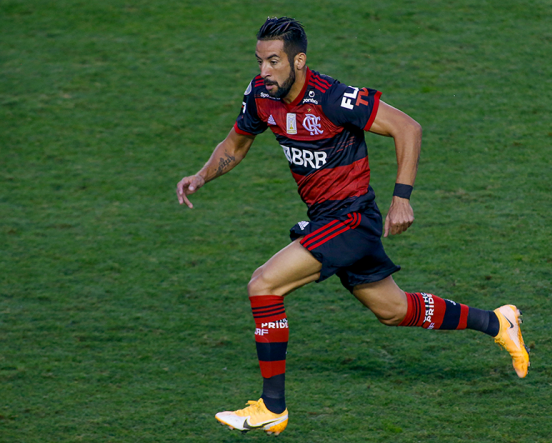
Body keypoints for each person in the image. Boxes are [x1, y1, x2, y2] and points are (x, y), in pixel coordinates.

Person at [176, 17, 530, 436]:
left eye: (274, 62)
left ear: (299, 60)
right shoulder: (260, 96)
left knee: (263, 285)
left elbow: (407, 127)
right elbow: (235, 144)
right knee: (393, 311)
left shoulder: (333, 98)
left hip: (352, 219)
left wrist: (403, 197)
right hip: (328, 220)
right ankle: (499, 321)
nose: (264, 71)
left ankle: (272, 407)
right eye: (260, 61)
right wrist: (202, 175)